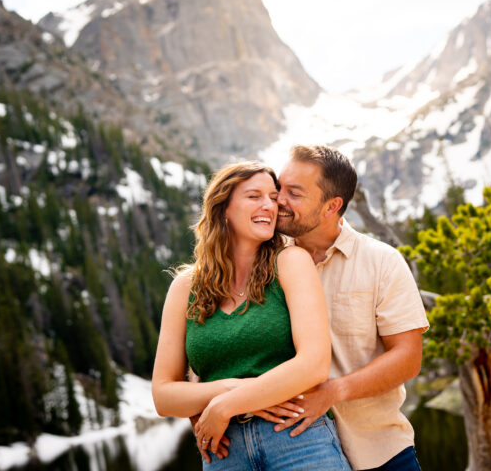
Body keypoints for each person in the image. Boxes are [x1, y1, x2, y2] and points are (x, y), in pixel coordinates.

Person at [151, 161, 351, 470]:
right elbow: (163, 396)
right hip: (224, 451)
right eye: (254, 196)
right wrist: (227, 393)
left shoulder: (290, 262)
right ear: (223, 208)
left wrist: (227, 404)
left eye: (273, 196)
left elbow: (314, 364)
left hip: (296, 439)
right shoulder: (184, 287)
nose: (270, 205)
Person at [262, 145, 429, 470]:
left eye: (294, 193)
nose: (279, 199)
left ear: (332, 206)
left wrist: (333, 392)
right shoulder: (262, 263)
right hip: (293, 454)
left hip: (381, 453)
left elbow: (408, 358)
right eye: (279, 187)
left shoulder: (382, 261)